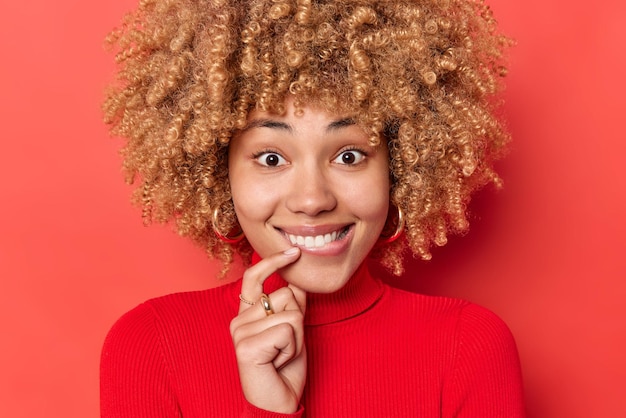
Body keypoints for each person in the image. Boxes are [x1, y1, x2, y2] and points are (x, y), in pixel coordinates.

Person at [100, 0, 524, 416]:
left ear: (399, 167)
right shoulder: (152, 345)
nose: (312, 200)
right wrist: (270, 409)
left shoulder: (468, 346)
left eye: (349, 156)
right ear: (217, 171)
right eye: (271, 158)